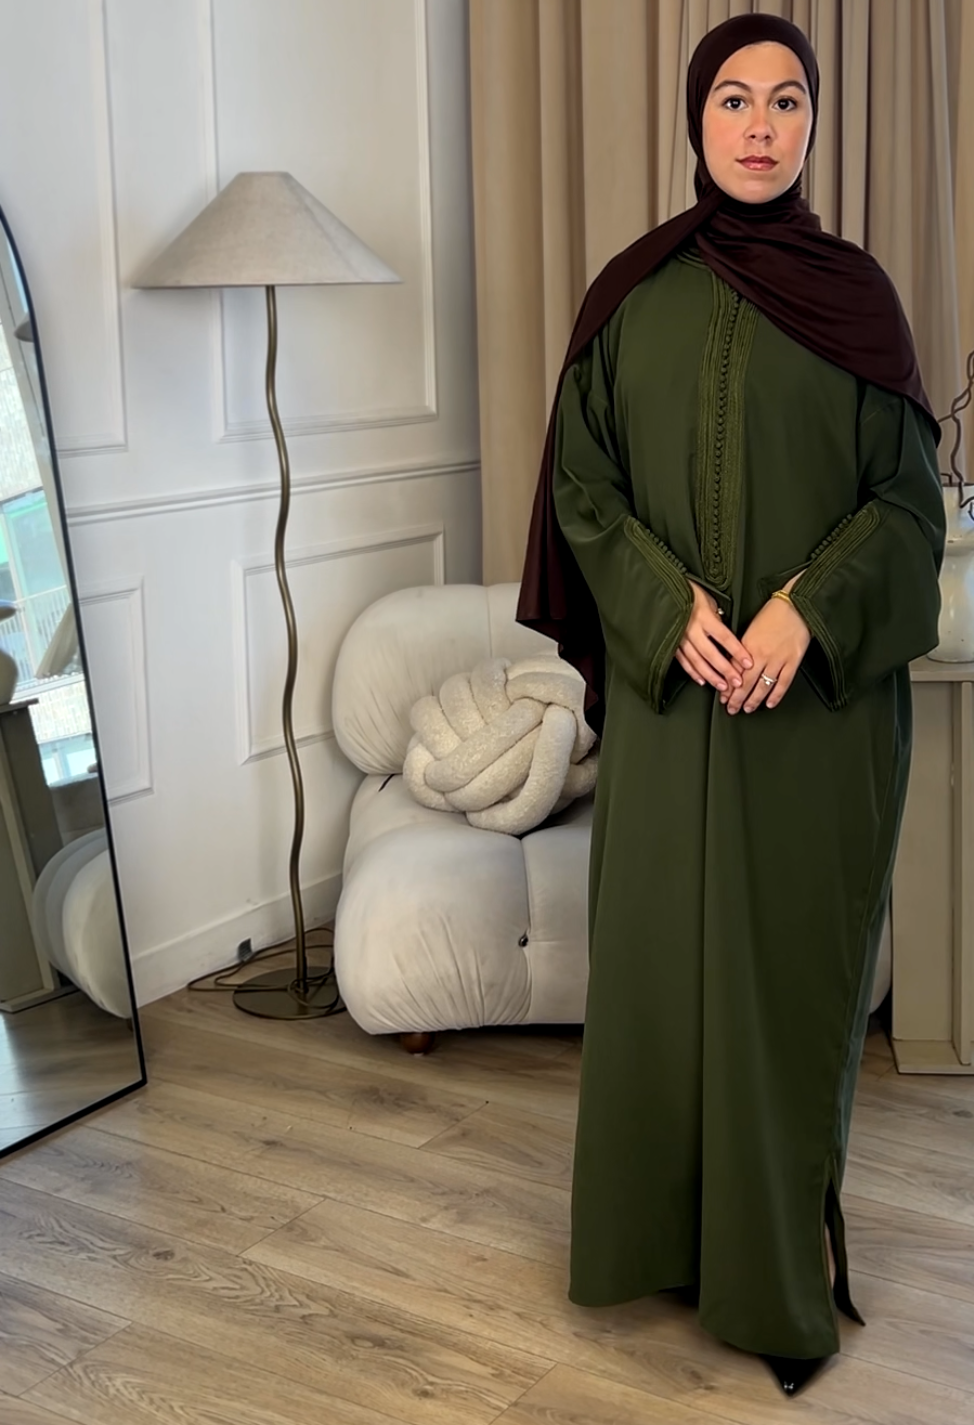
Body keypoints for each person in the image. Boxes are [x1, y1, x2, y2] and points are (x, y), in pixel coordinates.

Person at [516, 12, 946, 1399]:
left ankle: (771, 1279)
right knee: (658, 977)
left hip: (813, 716)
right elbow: (582, 490)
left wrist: (802, 610)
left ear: (813, 124)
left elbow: (908, 505)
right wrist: (666, 609)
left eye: (787, 101)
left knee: (783, 989)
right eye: (734, 101)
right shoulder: (629, 296)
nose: (761, 126)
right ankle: (652, 1241)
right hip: (672, 700)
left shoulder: (858, 299)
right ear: (695, 121)